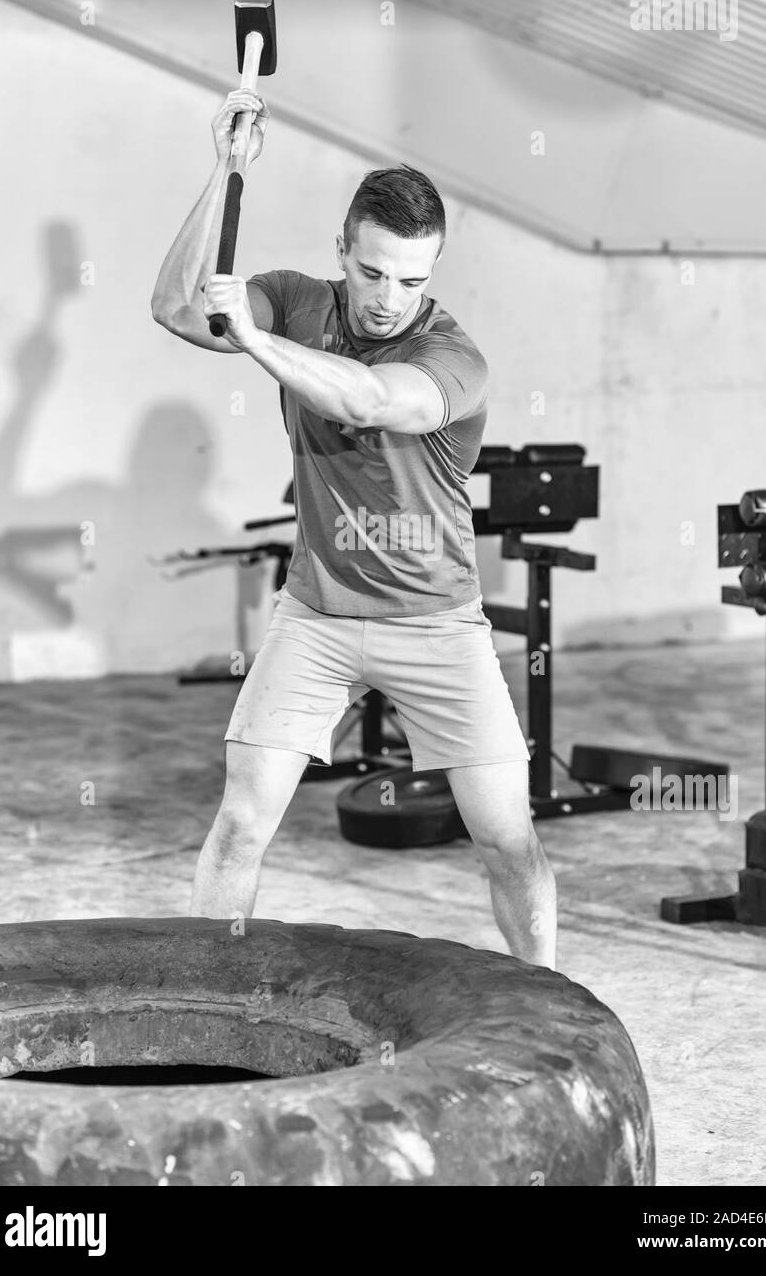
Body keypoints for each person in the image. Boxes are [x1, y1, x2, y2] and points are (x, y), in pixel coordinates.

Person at [151, 86, 556, 967]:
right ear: (343, 250)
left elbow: (370, 398)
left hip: (437, 627)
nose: (387, 298)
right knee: (241, 822)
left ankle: (552, 1009)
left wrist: (251, 343)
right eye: (371, 272)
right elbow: (177, 309)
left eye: (411, 279)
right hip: (318, 618)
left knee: (508, 841)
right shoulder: (300, 302)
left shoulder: (453, 358)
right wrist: (223, 170)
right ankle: (198, 1001)